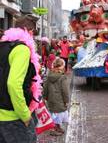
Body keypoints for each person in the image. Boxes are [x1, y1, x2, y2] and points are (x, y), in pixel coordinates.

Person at [0, 15, 41, 143]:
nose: (33, 36)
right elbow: (13, 84)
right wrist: (25, 115)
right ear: (28, 31)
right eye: (33, 32)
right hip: (14, 118)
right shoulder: (22, 49)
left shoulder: (3, 46)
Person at [43, 58, 69, 136]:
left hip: (51, 99)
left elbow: (45, 88)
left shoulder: (49, 76)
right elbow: (65, 91)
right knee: (59, 114)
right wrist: (66, 100)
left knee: (54, 114)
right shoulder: (62, 77)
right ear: (62, 67)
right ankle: (54, 129)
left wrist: (45, 97)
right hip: (60, 100)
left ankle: (57, 127)